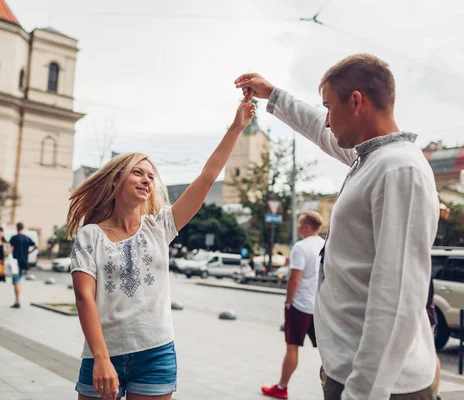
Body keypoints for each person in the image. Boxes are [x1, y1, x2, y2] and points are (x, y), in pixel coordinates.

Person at [236, 54, 439, 399]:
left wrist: (361, 392)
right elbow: (318, 127)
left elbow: (399, 295)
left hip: (381, 386)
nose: (327, 120)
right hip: (354, 371)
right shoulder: (373, 158)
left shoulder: (398, 170)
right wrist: (273, 95)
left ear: (356, 101)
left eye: (330, 107)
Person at [66, 99, 255, 400]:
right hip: (102, 353)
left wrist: (236, 128)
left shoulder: (160, 226)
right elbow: (83, 296)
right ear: (116, 180)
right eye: (138, 173)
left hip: (156, 354)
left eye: (151, 177)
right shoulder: (90, 236)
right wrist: (101, 358)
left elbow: (207, 178)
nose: (146, 180)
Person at [262, 211, 325, 399]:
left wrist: (288, 302)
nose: (297, 227)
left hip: (300, 306)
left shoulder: (300, 247)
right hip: (320, 305)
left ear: (306, 227)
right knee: (327, 350)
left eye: (299, 224)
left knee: (292, 347)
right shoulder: (325, 245)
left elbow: (294, 279)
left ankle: (282, 388)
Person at [9, 222, 37, 308]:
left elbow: (10, 249)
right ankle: (17, 299)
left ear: (17, 228)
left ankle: (17, 301)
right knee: (18, 280)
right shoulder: (27, 238)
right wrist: (29, 252)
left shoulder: (14, 238)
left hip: (15, 262)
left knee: (16, 281)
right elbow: (37, 245)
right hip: (24, 262)